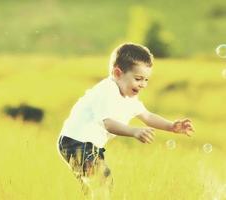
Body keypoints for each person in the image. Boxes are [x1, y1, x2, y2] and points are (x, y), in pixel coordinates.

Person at [56, 42, 195, 200]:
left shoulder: (129, 98)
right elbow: (108, 123)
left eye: (146, 80)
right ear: (117, 73)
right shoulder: (107, 91)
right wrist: (134, 131)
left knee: (94, 186)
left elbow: (147, 116)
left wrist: (171, 126)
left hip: (89, 146)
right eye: (138, 79)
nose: (143, 84)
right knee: (103, 180)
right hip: (75, 142)